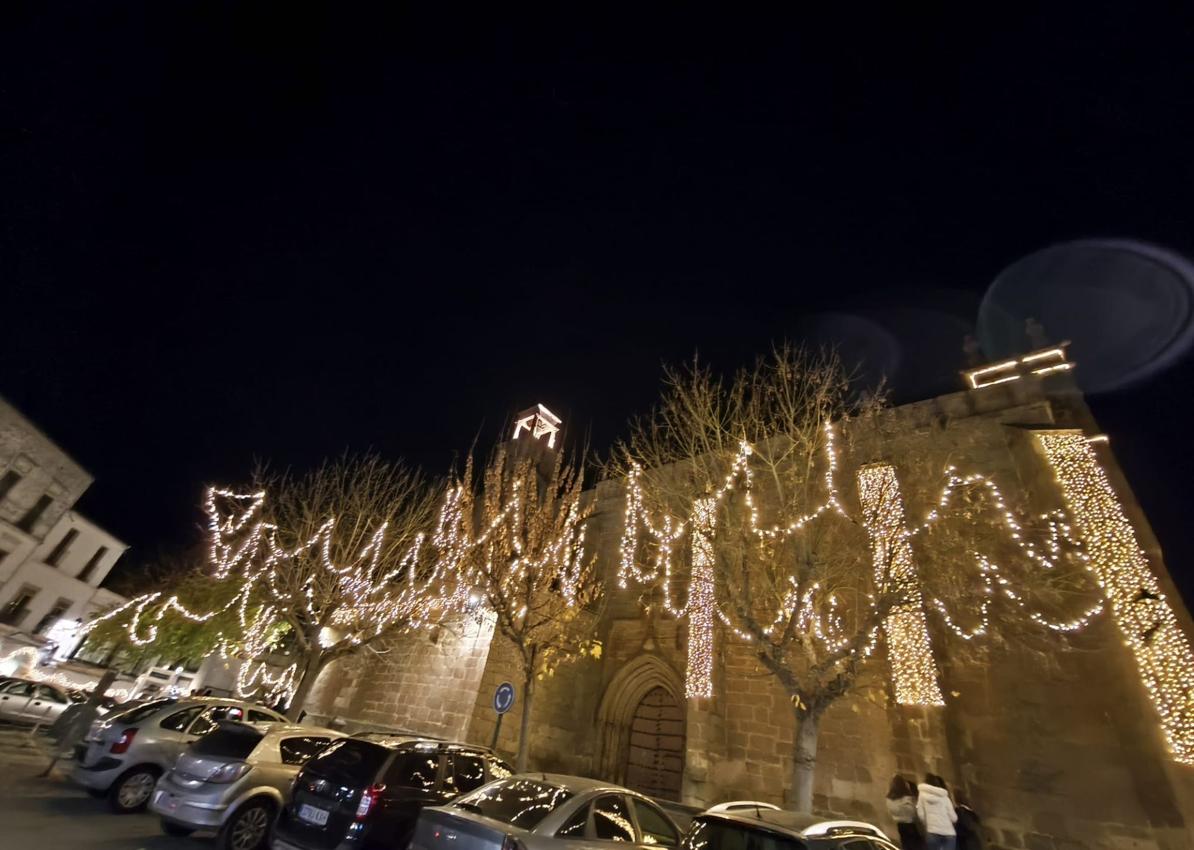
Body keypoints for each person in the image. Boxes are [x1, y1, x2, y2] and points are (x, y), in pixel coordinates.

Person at [917, 773, 957, 850]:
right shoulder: (944, 796)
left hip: (932, 832)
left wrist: (928, 824)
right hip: (949, 832)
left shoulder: (922, 796)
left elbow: (921, 814)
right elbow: (953, 817)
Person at [885, 774, 922, 850]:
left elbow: (890, 811)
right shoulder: (906, 797)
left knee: (906, 845)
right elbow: (912, 811)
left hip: (900, 824)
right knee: (916, 845)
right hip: (910, 824)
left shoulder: (889, 798)